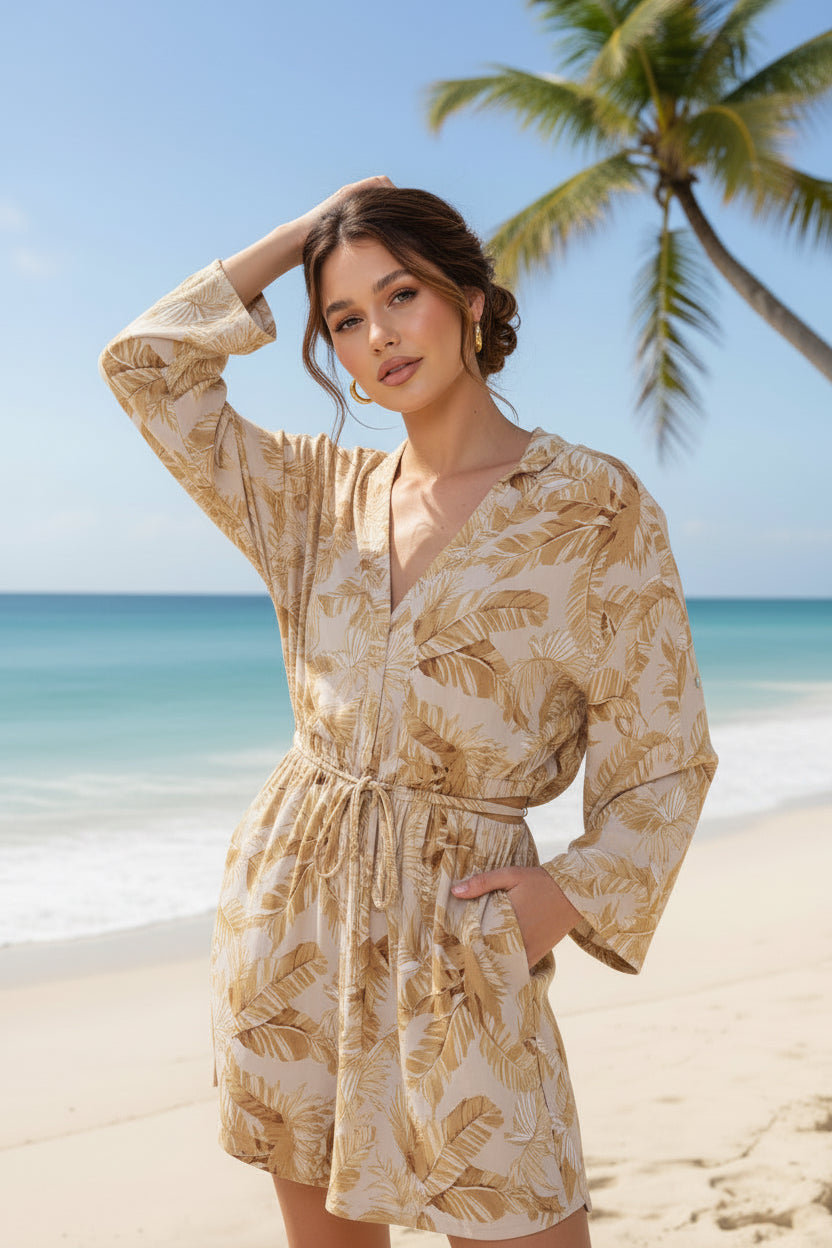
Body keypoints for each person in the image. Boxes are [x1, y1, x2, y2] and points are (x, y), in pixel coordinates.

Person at [98, 176, 718, 1248]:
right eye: (344, 318)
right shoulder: (310, 496)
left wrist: (563, 896)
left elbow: (663, 756)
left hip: (462, 933)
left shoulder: (594, 507)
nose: (377, 335)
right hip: (293, 918)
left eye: (401, 295)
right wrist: (306, 233)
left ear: (470, 300)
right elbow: (146, 366)